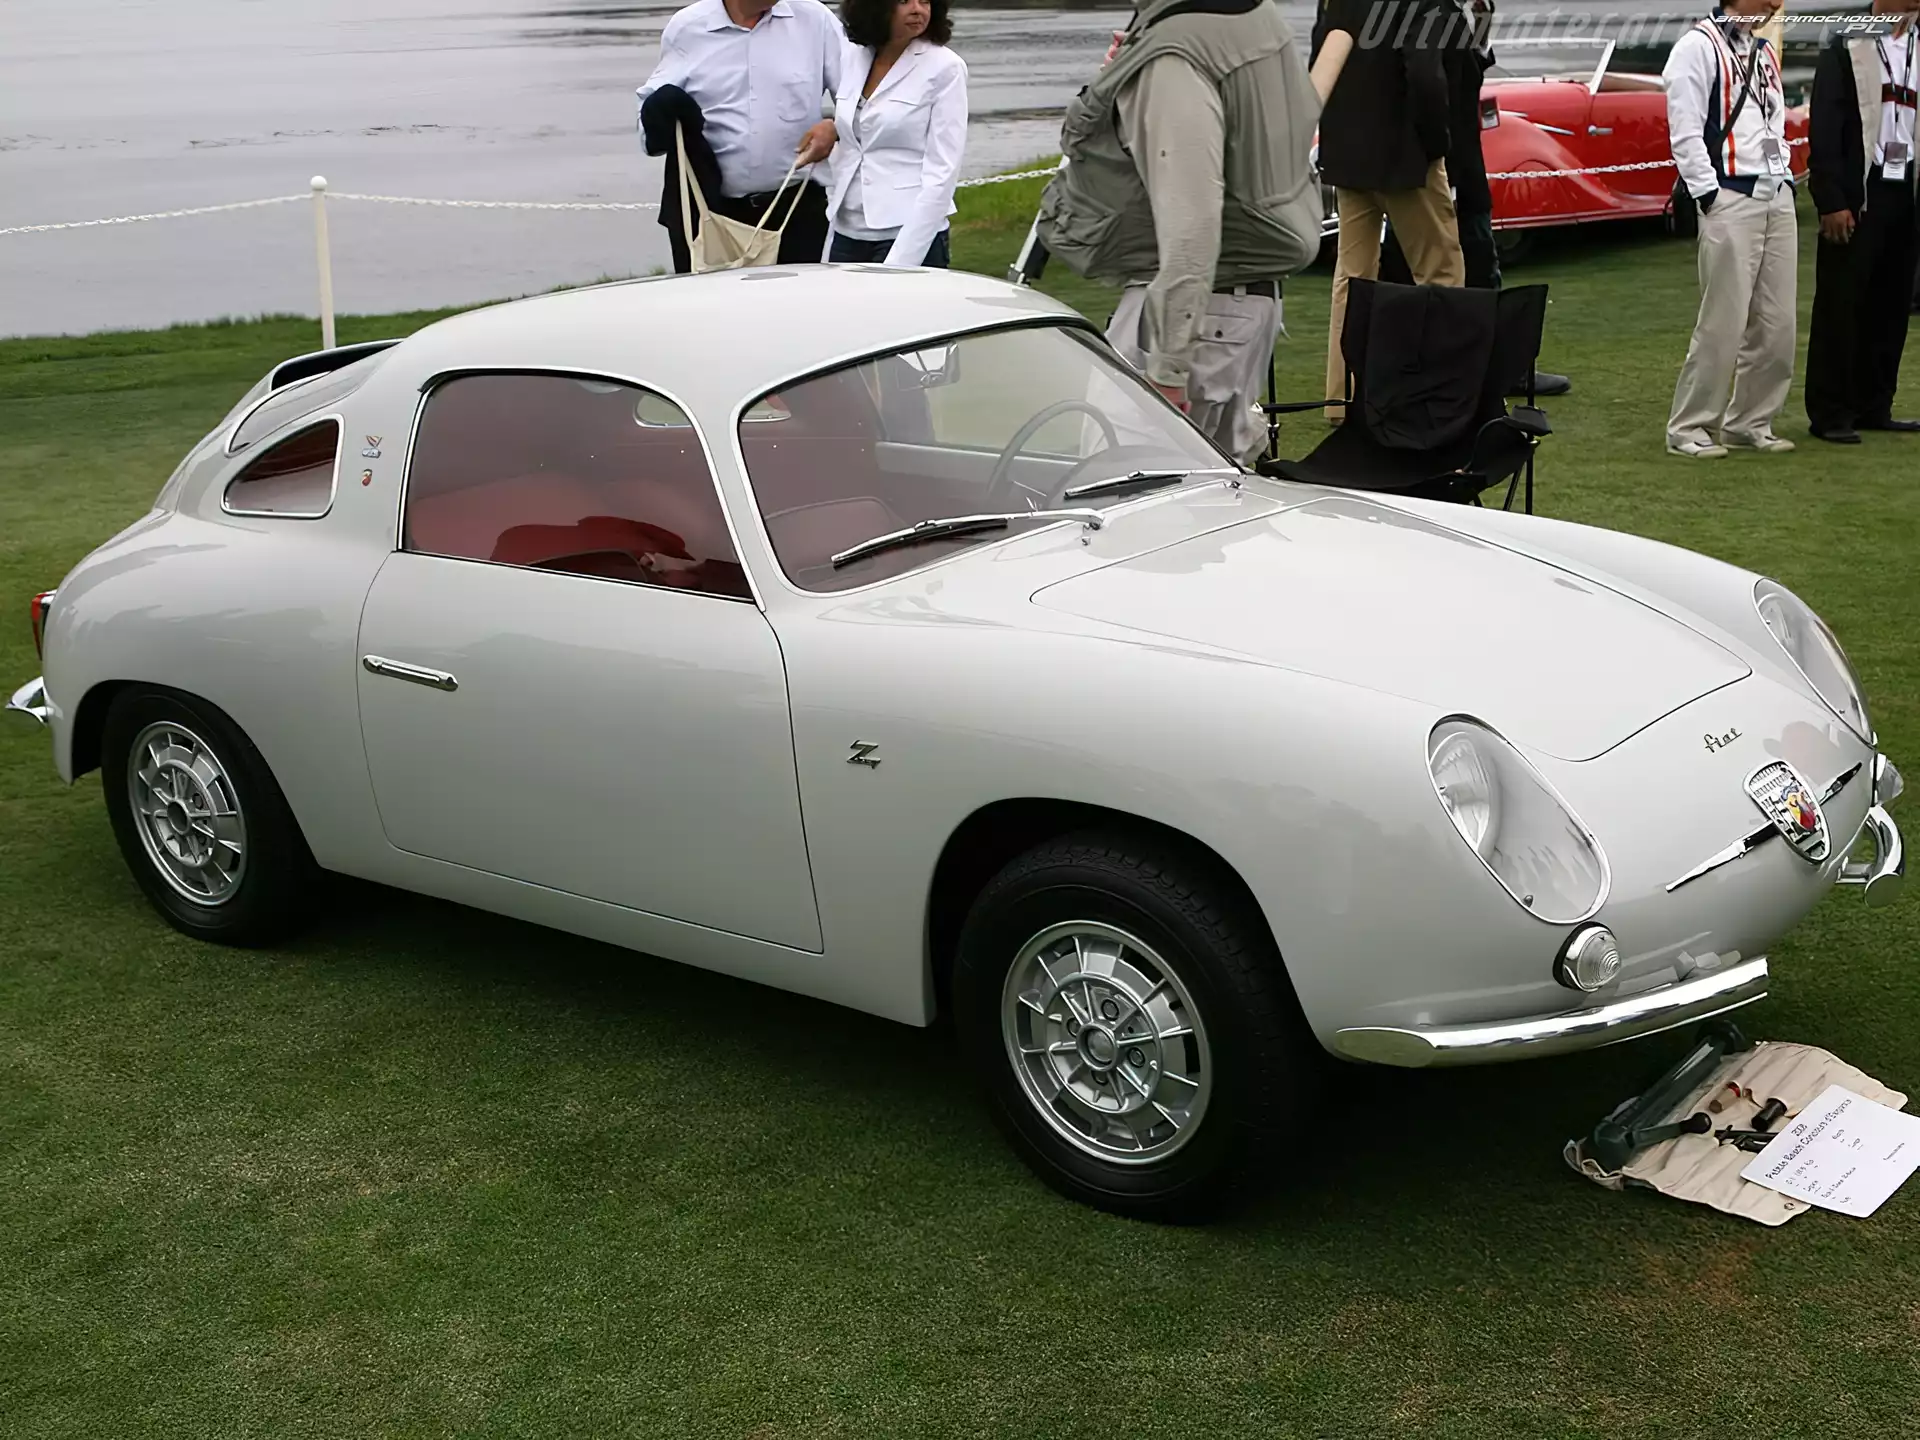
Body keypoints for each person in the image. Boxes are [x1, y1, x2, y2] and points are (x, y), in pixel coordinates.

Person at [1034, 0, 1322, 466]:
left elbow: (1193, 221)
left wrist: (1168, 367)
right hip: (1235, 306)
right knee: (1213, 492)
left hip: (1195, 315)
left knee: (1122, 486)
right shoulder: (1248, 17)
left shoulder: (1175, 55)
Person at [1375, 0, 1573, 396]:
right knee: (1465, 267)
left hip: (1448, 165)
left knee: (1460, 266)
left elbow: (1463, 74)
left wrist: (1480, 26)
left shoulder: (1440, 15)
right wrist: (1440, 162)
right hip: (1444, 167)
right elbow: (1429, 85)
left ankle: (1470, 368)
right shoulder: (1428, 13)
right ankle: (1478, 371)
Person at [1313, 0, 1466, 417]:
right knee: (1440, 275)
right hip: (1404, 156)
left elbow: (1320, 64)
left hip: (1349, 155)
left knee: (1351, 278)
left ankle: (1340, 399)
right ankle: (1447, 395)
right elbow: (1425, 75)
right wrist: (1436, 146)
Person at [1663, 0, 1799, 458]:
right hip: (1730, 195)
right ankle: (1689, 427)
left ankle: (1750, 421)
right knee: (1723, 319)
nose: (1775, 4)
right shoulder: (1696, 47)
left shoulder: (1762, 49)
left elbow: (1773, 118)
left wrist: (1783, 177)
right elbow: (1684, 131)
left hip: (1774, 192)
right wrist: (1709, 194)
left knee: (1778, 323)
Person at [637, 0, 843, 273]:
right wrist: (656, 115)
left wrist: (835, 128)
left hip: (797, 211)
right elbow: (649, 128)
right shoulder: (687, 27)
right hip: (712, 217)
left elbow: (858, 100)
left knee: (800, 300)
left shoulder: (815, 19)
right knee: (712, 302)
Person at [1804, 0, 1920, 442]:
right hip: (1859, 188)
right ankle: (1830, 412)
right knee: (1841, 302)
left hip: (1906, 187)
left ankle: (1875, 405)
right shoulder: (1847, 45)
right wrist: (1831, 199)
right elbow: (1825, 126)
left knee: (1892, 304)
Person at [822, 0, 968, 266]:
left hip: (907, 231)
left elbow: (943, 172)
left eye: (925, 1)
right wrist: (829, 129)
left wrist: (903, 259)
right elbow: (858, 132)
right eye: (904, 1)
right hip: (846, 226)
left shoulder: (946, 67)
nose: (917, 9)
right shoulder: (854, 56)